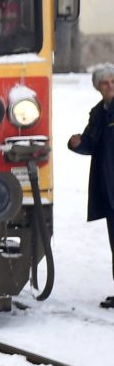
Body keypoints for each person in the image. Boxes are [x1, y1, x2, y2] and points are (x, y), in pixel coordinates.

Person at [66, 63, 114, 309]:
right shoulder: (98, 113)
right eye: (105, 83)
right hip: (108, 188)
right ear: (98, 87)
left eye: (113, 82)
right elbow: (92, 143)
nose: (110, 87)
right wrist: (77, 143)